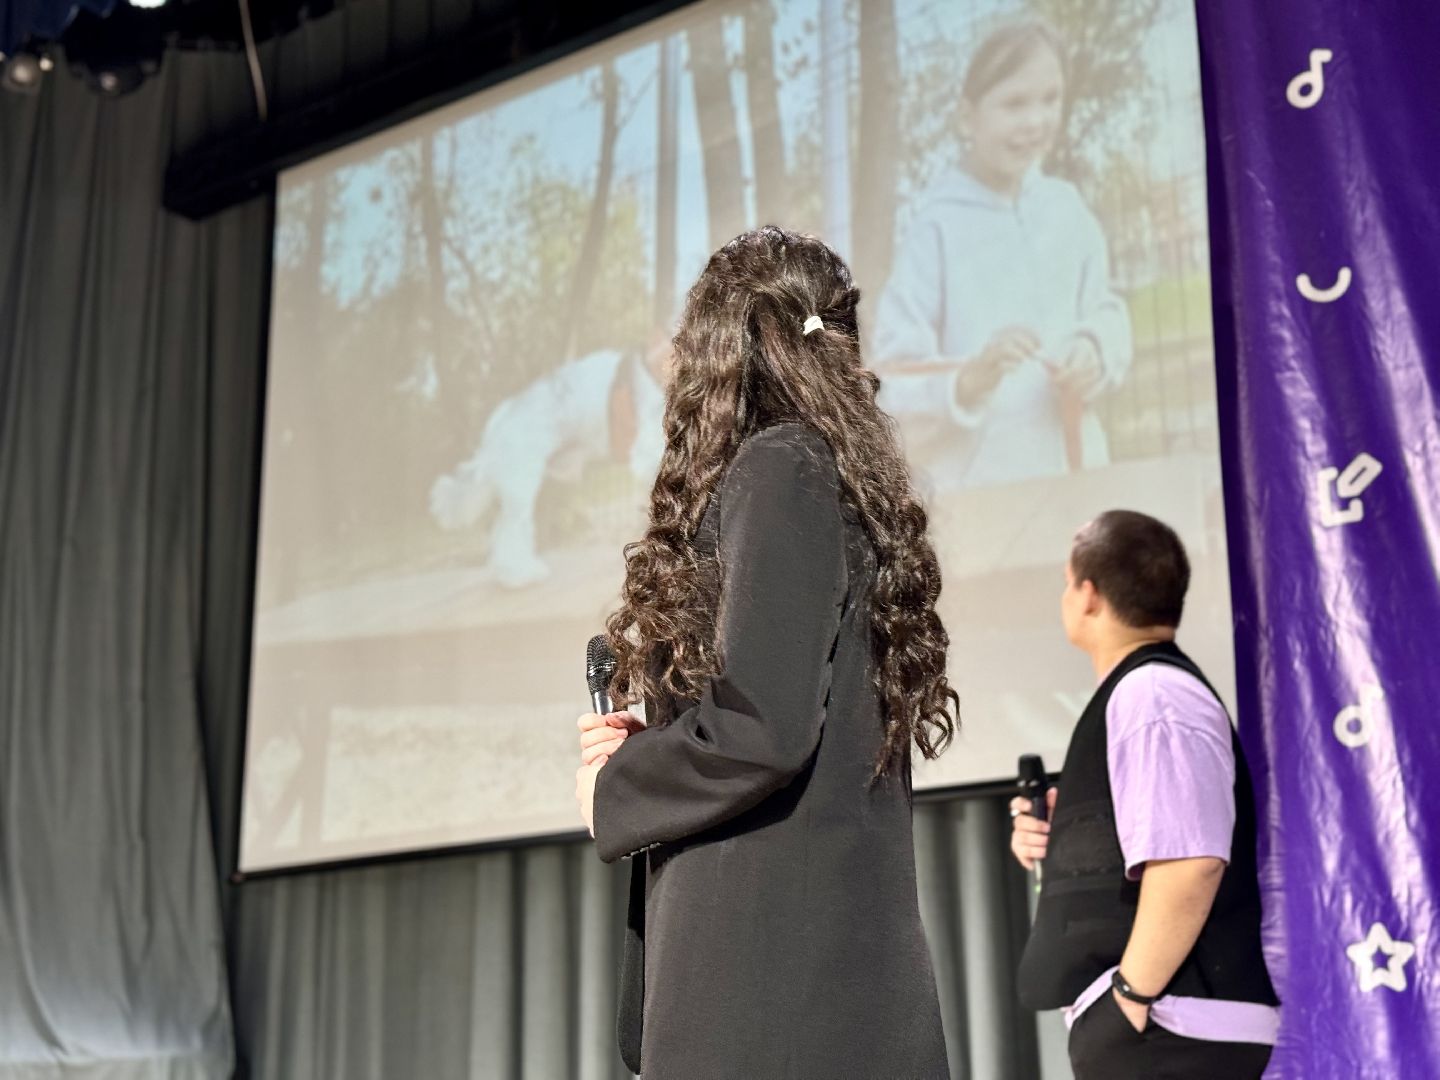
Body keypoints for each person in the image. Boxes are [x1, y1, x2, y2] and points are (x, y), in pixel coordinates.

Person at [573, 226, 958, 1079]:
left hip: (775, 991)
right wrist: (660, 750)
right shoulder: (831, 471)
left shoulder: (779, 466)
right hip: (814, 985)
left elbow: (763, 727)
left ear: (721, 347)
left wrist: (616, 788)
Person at [1010, 511, 1279, 1079]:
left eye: (1065, 580)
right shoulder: (1145, 694)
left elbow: (1191, 862)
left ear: (1087, 594)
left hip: (1171, 1024)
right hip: (1163, 1023)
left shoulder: (1154, 695)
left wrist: (1128, 999)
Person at [872, 19, 1131, 491]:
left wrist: (1095, 349)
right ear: (967, 117)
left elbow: (1107, 309)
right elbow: (892, 377)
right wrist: (968, 381)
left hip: (1079, 480)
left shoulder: (1068, 208)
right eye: (1014, 104)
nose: (1035, 122)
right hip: (982, 500)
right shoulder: (935, 228)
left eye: (1050, 100)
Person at [427, 332, 669, 588]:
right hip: (532, 426)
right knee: (518, 501)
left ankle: (511, 561)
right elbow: (642, 457)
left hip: (554, 424)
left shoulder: (634, 381)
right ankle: (511, 565)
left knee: (517, 498)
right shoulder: (631, 380)